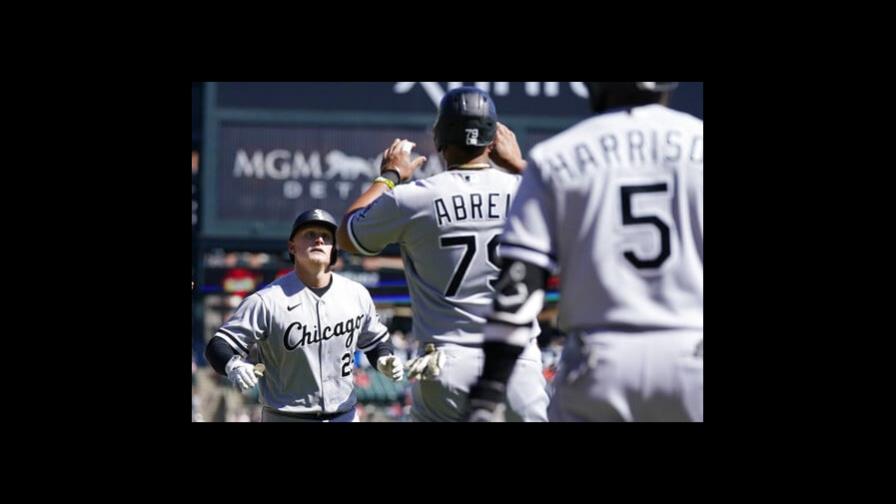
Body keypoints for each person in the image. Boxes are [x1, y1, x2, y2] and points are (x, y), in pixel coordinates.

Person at [467, 82, 703, 422]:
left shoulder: (556, 155)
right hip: (694, 359)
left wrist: (488, 393)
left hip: (600, 363)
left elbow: (519, 289)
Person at [336, 86, 549, 422]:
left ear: (439, 140)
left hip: (447, 364)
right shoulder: (527, 191)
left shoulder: (413, 198)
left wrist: (388, 176)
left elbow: (347, 234)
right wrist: (520, 166)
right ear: (493, 140)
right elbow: (577, 218)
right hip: (517, 363)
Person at [204, 209, 404, 422]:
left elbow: (376, 341)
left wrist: (384, 357)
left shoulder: (356, 294)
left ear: (333, 249)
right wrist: (232, 365)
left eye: (326, 237)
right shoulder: (267, 301)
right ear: (292, 247)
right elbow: (218, 345)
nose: (319, 239)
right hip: (286, 417)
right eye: (309, 234)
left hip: (345, 415)